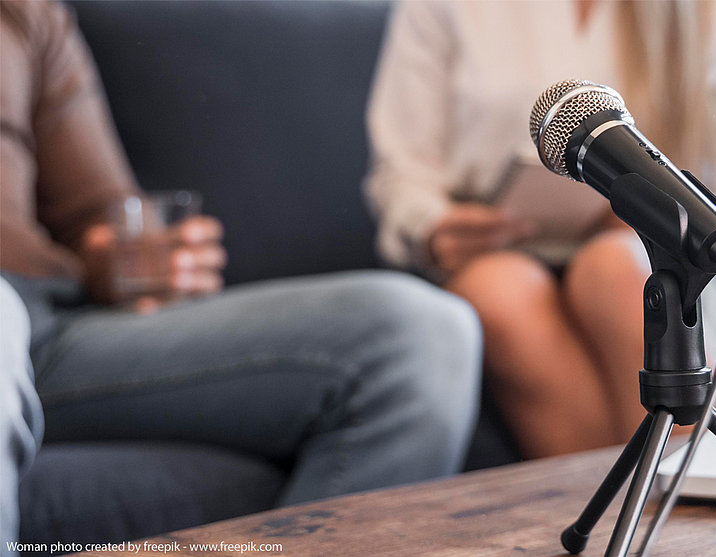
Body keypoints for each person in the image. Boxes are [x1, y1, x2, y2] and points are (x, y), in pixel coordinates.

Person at [0, 2, 482, 553]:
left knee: (424, 332)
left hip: (57, 325)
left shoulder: (27, 14)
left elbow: (100, 210)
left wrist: (123, 259)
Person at [365, 0, 716, 458]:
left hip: (664, 266)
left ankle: (695, 503)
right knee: (499, 291)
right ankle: (624, 515)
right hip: (498, 255)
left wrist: (664, 219)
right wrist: (434, 227)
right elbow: (402, 176)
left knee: (617, 269)